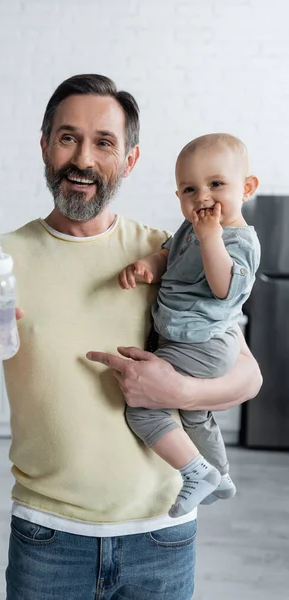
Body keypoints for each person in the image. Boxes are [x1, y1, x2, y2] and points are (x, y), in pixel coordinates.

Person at [0, 75, 262, 600]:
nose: (83, 158)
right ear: (44, 146)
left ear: (129, 160)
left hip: (162, 536)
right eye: (67, 137)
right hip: (48, 537)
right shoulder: (1, 261)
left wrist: (180, 394)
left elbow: (248, 375)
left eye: (104, 142)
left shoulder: (165, 254)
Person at [116, 133, 260, 519]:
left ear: (246, 188)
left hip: (201, 343)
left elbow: (224, 285)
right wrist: (149, 265)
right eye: (189, 189)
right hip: (184, 337)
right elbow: (168, 255)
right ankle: (221, 475)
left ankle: (194, 472)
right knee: (196, 416)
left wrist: (210, 237)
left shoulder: (239, 240)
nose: (202, 197)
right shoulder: (190, 227)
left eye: (216, 184)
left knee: (143, 407)